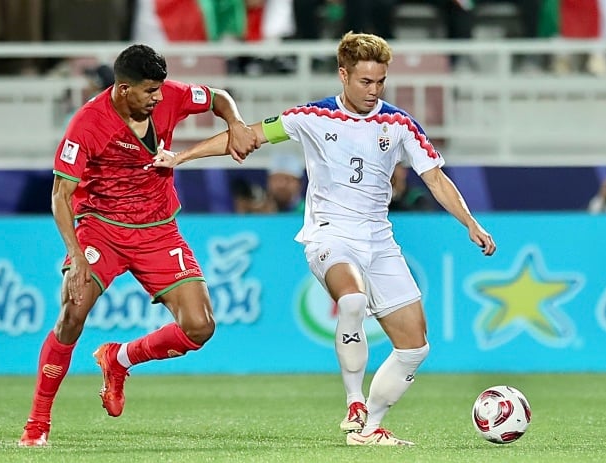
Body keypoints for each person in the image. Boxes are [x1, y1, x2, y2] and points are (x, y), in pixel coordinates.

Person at [151, 32, 496, 446]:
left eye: (381, 81)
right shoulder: (312, 117)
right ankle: (354, 402)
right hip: (330, 235)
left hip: (379, 241)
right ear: (344, 75)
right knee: (351, 299)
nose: (374, 90)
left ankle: (371, 428)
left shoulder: (399, 124)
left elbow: (435, 179)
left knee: (414, 347)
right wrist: (181, 157)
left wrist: (470, 224)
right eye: (366, 82)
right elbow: (247, 137)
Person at [18, 44, 259, 447]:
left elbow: (218, 97)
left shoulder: (172, 96)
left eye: (160, 89)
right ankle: (37, 423)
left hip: (158, 230)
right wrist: (77, 257)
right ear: (123, 87)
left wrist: (235, 120)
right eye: (149, 91)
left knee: (200, 328)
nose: (159, 98)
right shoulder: (89, 123)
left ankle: (119, 359)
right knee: (72, 313)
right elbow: (61, 195)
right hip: (102, 229)